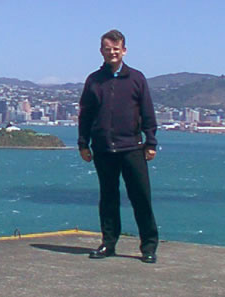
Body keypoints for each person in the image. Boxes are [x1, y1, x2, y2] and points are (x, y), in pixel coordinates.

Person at [78, 29, 159, 263]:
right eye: (107, 48)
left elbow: (147, 112)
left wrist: (150, 142)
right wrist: (83, 143)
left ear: (124, 50)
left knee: (141, 197)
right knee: (108, 198)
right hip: (103, 149)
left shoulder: (136, 78)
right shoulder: (94, 80)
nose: (112, 52)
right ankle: (108, 244)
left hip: (132, 148)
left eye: (116, 48)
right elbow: (85, 114)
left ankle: (149, 247)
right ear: (101, 51)